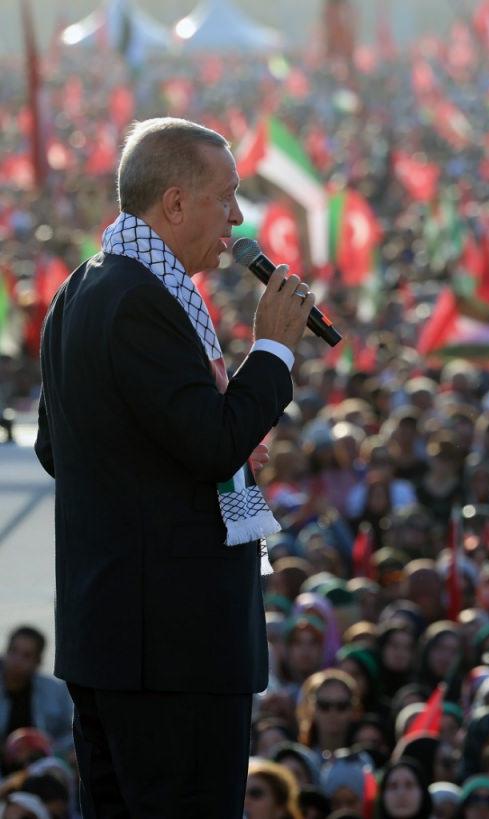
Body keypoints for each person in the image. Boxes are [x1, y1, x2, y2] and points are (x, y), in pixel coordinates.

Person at [34, 117, 315, 816]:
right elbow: (210, 441)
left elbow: (56, 446)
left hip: (121, 642)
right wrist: (273, 353)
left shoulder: (85, 288)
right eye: (228, 197)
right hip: (169, 650)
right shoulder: (137, 301)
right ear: (176, 203)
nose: (239, 218)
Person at [0, 627, 72, 756]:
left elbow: (71, 734)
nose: (17, 660)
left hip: (44, 765)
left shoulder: (56, 691)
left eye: (26, 655)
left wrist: (48, 749)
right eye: (13, 651)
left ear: (38, 661)